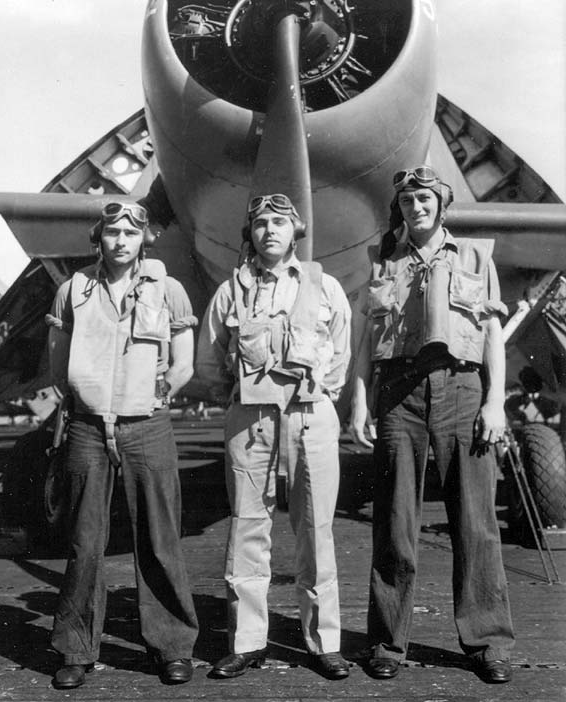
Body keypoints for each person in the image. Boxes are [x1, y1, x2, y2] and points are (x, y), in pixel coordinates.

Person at [349, 166, 515, 684]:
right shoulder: (382, 260)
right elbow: (364, 341)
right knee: (395, 522)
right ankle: (387, 642)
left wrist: (495, 403)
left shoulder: (473, 257)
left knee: (476, 522)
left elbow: (492, 333)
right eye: (405, 200)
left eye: (423, 198)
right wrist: (359, 401)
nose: (414, 207)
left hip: (462, 389)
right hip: (399, 393)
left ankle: (487, 642)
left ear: (441, 204)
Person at [197, 193, 352, 680]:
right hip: (251, 420)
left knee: (317, 531)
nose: (269, 230)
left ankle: (324, 643)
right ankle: (247, 642)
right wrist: (242, 401)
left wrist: (318, 398)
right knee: (247, 526)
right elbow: (209, 359)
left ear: (295, 232)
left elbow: (341, 355)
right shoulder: (232, 291)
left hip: (310, 417)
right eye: (261, 223)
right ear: (251, 233)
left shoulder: (325, 287)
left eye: (279, 223)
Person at [45, 201, 198, 689]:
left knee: (159, 538)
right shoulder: (74, 291)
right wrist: (82, 399)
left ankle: (172, 647)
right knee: (84, 541)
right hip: (88, 428)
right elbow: (56, 362)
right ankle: (76, 648)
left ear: (144, 239)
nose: (120, 241)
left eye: (131, 232)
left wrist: (160, 393)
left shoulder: (167, 290)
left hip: (147, 426)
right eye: (112, 232)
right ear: (100, 237)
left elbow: (184, 361)